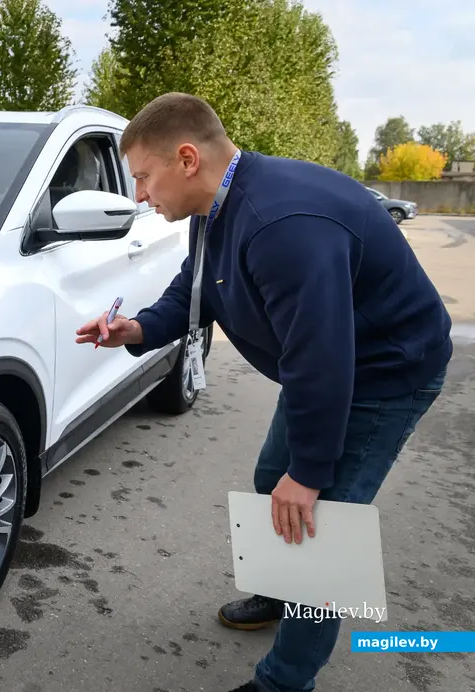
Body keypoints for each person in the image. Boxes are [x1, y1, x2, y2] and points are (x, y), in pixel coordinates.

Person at [75, 92, 452, 692]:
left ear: (188, 159)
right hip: (328, 370)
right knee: (270, 480)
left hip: (385, 373)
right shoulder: (216, 207)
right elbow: (196, 285)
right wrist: (140, 328)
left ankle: (283, 680)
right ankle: (280, 592)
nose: (140, 195)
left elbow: (322, 361)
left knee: (316, 525)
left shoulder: (282, 224)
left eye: (144, 177)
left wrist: (310, 473)